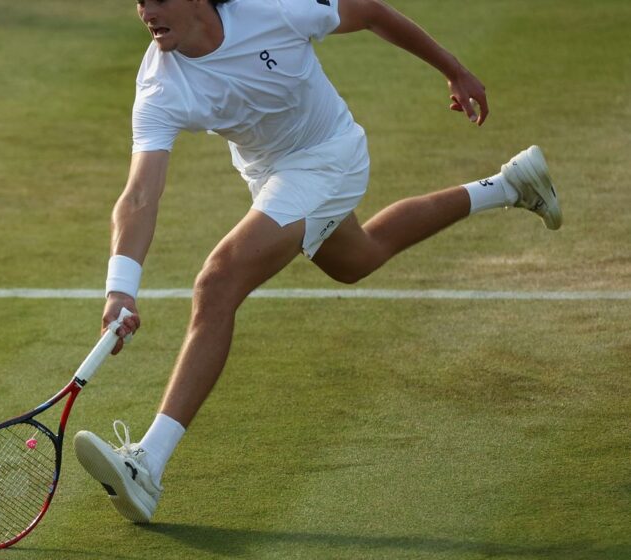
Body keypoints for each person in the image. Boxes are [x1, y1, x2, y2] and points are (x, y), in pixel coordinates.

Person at [73, 0, 562, 523]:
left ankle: (147, 464)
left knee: (218, 282)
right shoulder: (160, 86)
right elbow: (140, 195)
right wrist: (119, 287)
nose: (146, 11)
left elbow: (372, 12)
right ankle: (509, 185)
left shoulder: (278, 9)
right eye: (139, 1)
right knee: (357, 258)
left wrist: (455, 70)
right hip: (269, 174)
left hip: (331, 154)